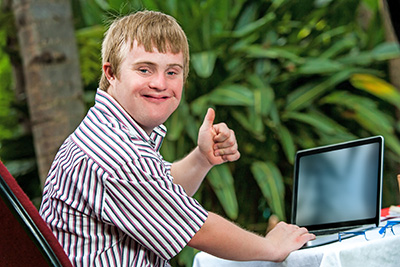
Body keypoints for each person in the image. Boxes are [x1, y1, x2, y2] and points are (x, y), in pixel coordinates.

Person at [39, 10, 314, 267]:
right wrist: (271, 247)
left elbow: (157, 188)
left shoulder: (108, 130)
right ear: (111, 73)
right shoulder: (114, 152)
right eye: (144, 69)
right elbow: (199, 230)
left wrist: (202, 158)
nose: (160, 83)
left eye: (172, 72)